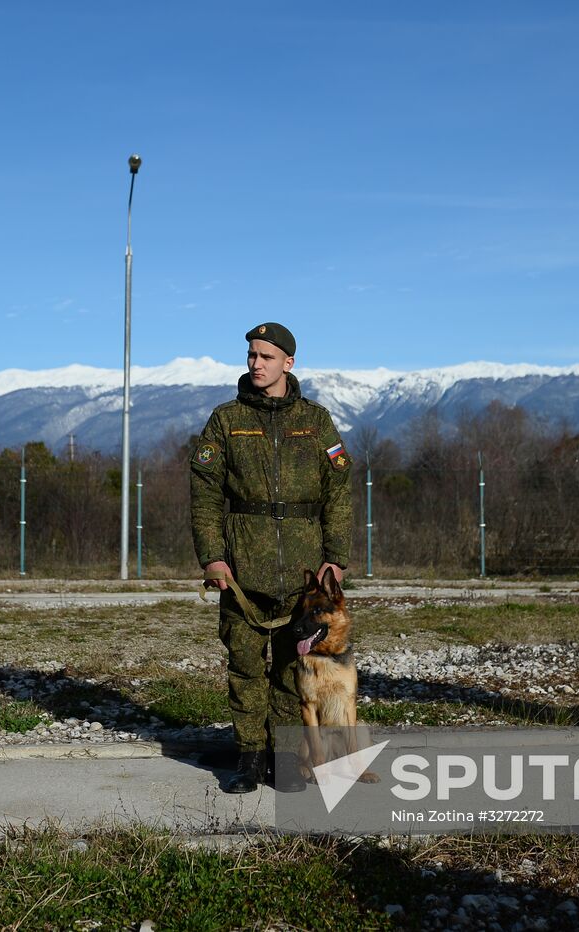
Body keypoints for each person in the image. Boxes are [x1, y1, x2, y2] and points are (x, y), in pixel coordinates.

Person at [190, 322, 352, 793]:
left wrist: (336, 558)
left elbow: (338, 492)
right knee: (244, 666)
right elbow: (204, 493)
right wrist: (212, 557)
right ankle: (249, 758)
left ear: (288, 363)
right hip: (242, 571)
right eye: (252, 356)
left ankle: (283, 759)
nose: (256, 364)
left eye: (266, 356)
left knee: (291, 668)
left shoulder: (316, 421)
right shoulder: (226, 420)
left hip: (303, 578)